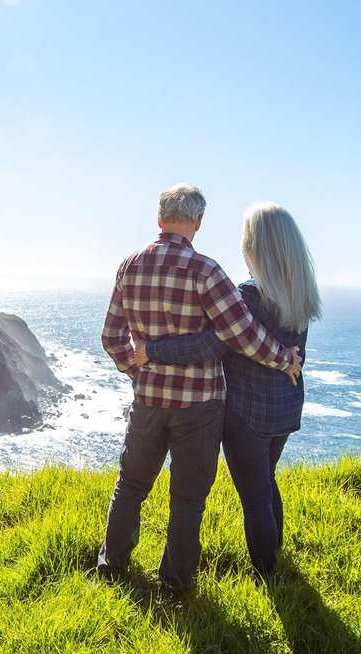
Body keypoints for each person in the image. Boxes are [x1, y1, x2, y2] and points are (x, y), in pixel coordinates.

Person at [97, 185, 302, 592]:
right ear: (198, 222)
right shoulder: (207, 271)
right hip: (199, 408)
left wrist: (137, 370)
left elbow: (111, 336)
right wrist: (285, 359)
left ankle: (111, 565)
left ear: (159, 219)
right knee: (187, 500)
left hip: (148, 401)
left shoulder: (129, 266)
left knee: (131, 485)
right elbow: (243, 334)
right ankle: (174, 583)